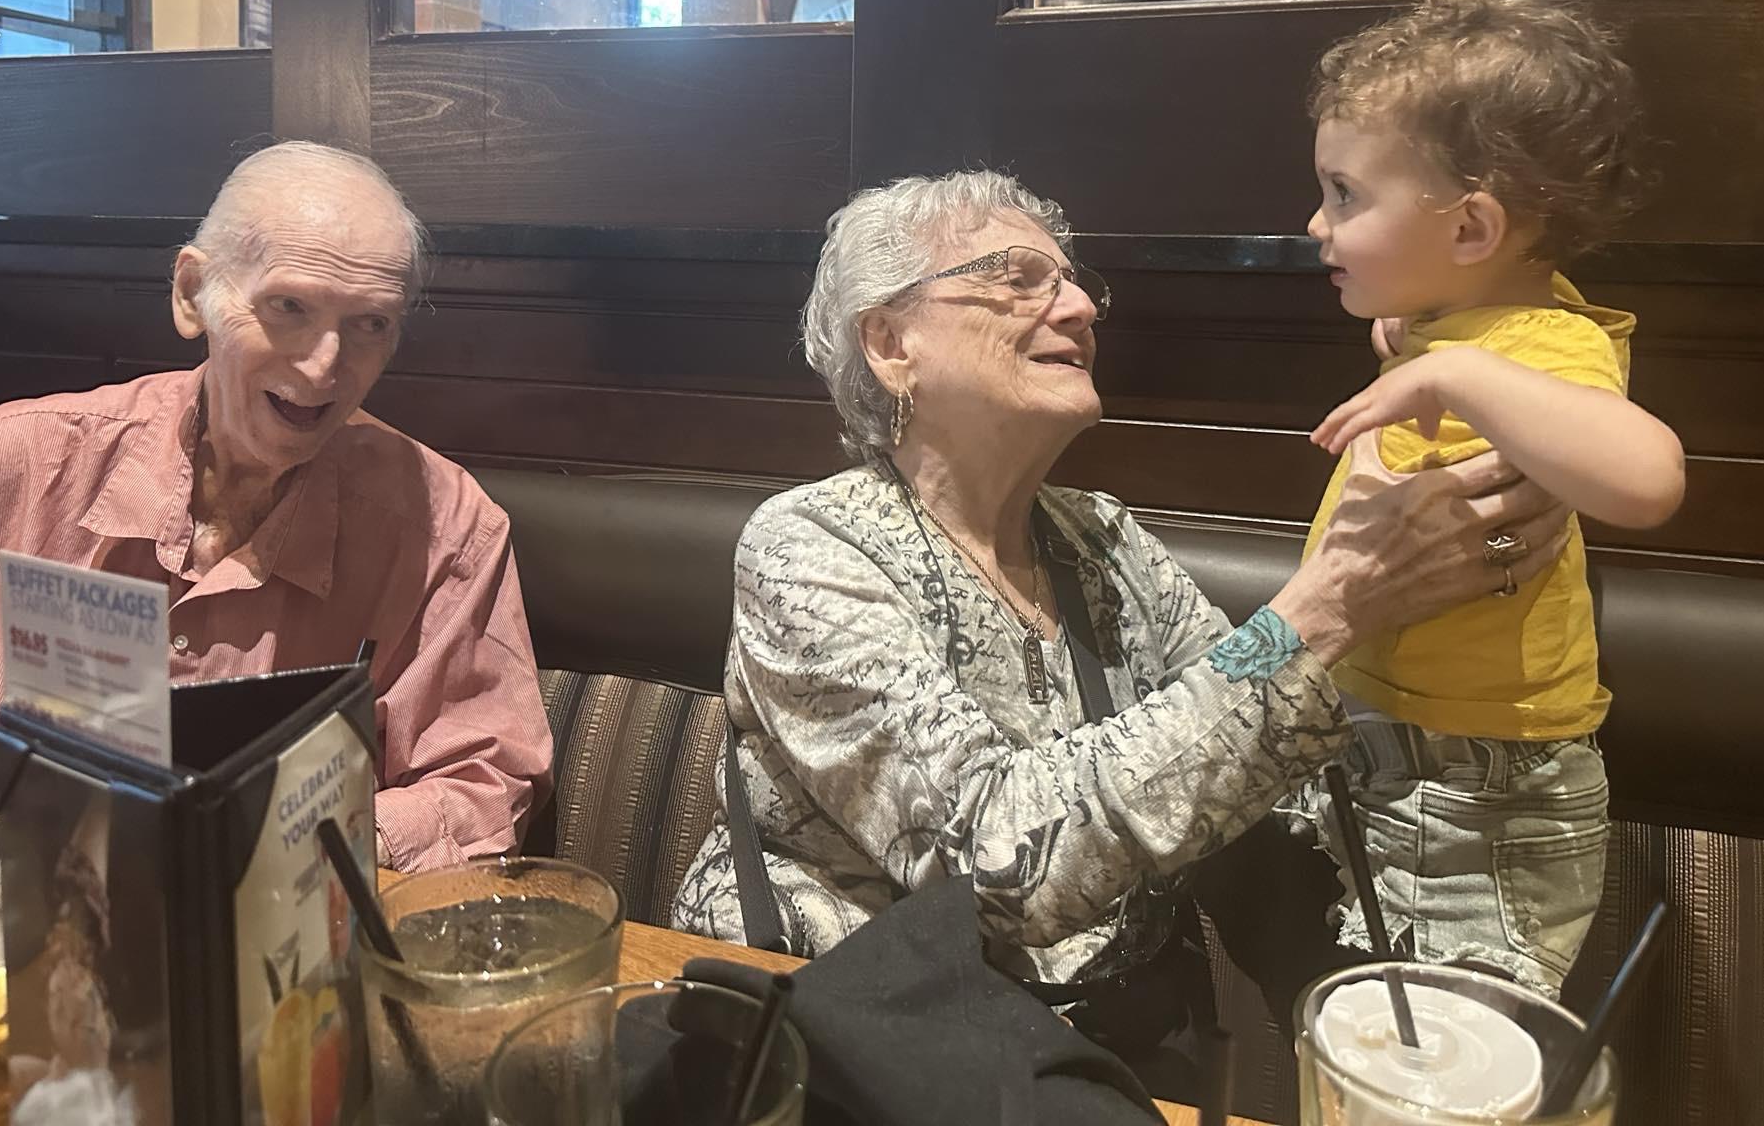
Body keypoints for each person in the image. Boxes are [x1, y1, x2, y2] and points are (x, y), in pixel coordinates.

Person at [671, 168, 1572, 1091]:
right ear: (891, 342)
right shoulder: (809, 547)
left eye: (1073, 283)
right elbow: (998, 862)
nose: (1075, 308)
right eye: (1019, 277)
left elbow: (1239, 704)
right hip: (848, 1065)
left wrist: (1374, 1016)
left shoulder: (1103, 540)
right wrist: (1329, 603)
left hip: (1093, 1069)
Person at [0, 142, 551, 871]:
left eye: (371, 324)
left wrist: (297, 837)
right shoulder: (18, 465)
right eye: (289, 308)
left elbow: (485, 783)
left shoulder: (444, 530)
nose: (323, 366)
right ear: (194, 294)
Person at [1296, 0, 1686, 994]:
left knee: (1451, 1064)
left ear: (1469, 231)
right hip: (1388, 755)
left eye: (1344, 194)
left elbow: (1647, 478)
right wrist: (1414, 334)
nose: (1314, 225)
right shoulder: (1456, 321)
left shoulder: (1534, 345)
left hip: (1479, 797)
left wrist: (1453, 369)